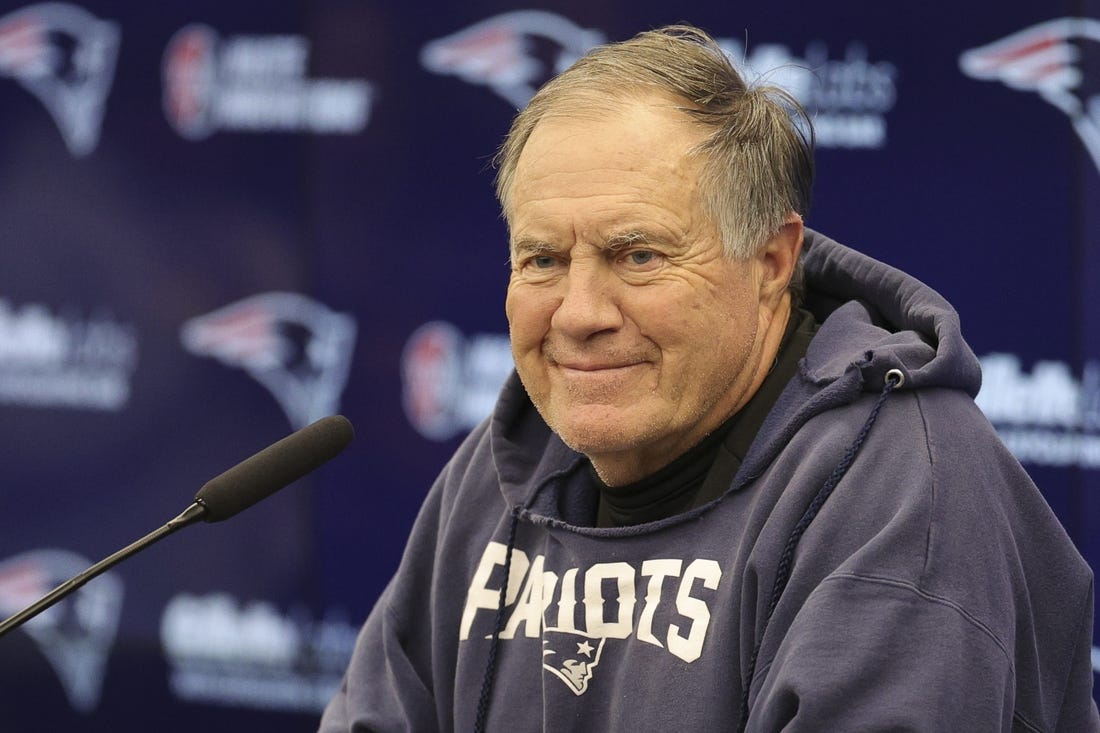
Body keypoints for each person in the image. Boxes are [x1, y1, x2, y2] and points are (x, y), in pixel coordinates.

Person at [320, 24, 1100, 732]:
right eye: (543, 260)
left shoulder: (905, 494)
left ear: (770, 263)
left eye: (639, 255)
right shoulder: (508, 465)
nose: (579, 312)